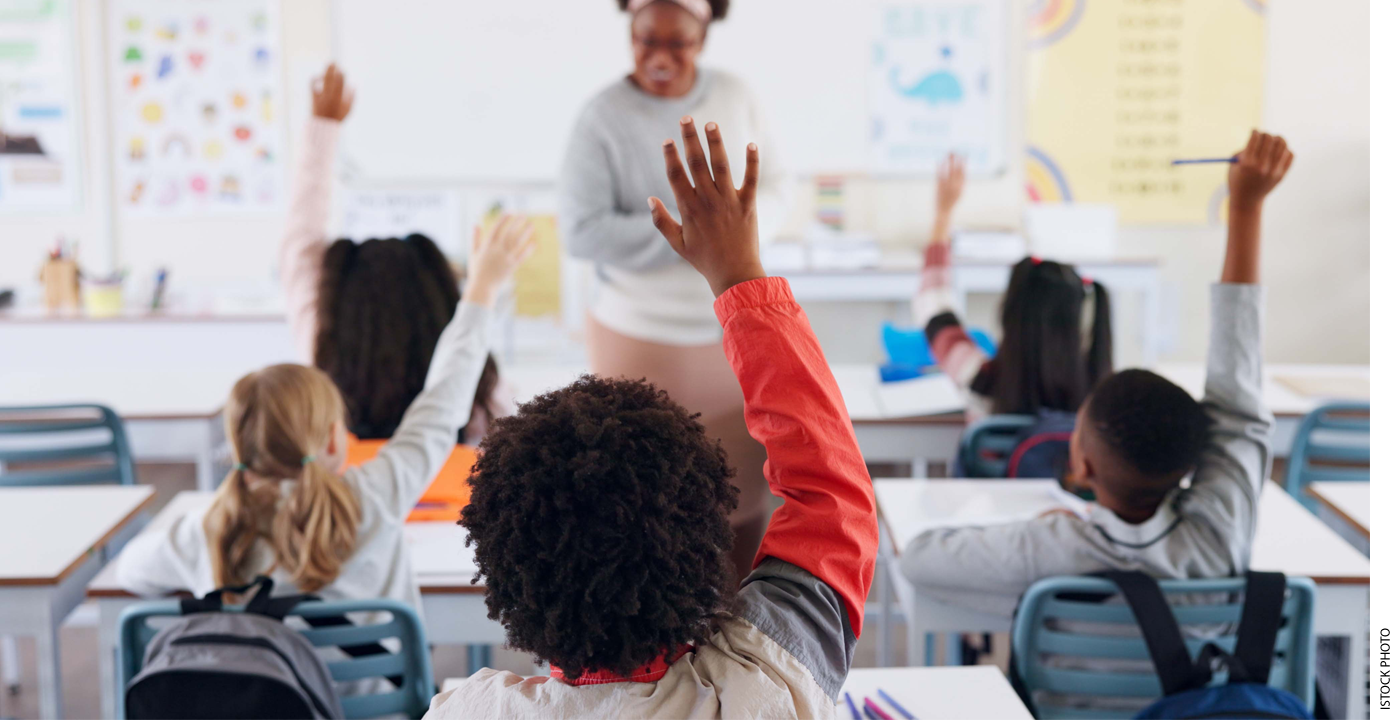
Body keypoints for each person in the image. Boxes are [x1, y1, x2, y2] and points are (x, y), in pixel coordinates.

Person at [426, 121, 875, 719]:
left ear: (503, 581)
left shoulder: (467, 711)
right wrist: (740, 278)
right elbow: (832, 495)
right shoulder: (768, 683)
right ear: (709, 543)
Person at [899, 132, 1294, 617]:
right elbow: (1237, 404)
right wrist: (1246, 208)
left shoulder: (1048, 545)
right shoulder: (1217, 538)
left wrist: (942, 215)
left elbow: (917, 558)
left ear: (1081, 465)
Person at [115, 215, 535, 612]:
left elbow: (131, 571)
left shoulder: (210, 530)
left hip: (266, 691)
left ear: (239, 444)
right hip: (375, 692)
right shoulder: (375, 493)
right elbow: (446, 395)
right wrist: (483, 285)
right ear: (336, 440)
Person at [560, 0, 791, 576]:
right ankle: (650, 658)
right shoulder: (601, 117)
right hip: (636, 338)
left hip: (729, 335)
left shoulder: (737, 96)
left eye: (677, 43)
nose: (659, 57)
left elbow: (780, 189)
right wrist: (690, 234)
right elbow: (582, 232)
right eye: (645, 40)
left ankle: (739, 645)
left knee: (738, 505)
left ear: (705, 35)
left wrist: (734, 233)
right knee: (641, 516)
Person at [281, 64, 511, 449]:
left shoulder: (322, 348)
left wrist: (322, 129)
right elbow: (468, 338)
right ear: (442, 306)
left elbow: (299, 244)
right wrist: (484, 284)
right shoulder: (472, 395)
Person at [914, 155, 1113, 422]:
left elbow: (933, 305)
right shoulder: (1098, 408)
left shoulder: (979, 380)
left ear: (1009, 318)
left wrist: (943, 214)